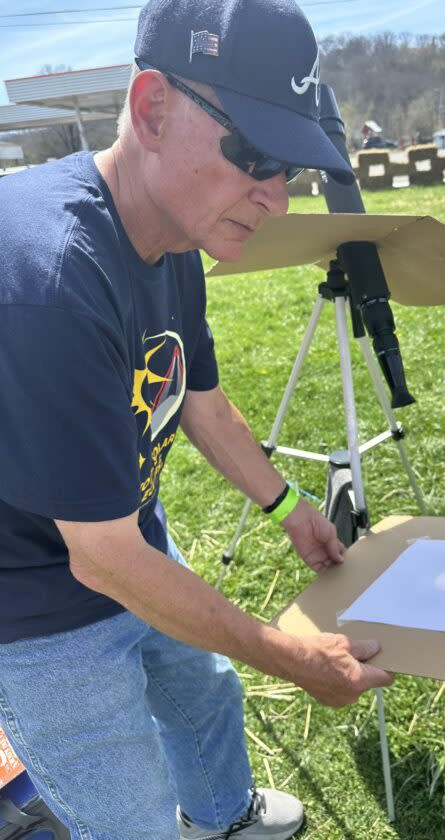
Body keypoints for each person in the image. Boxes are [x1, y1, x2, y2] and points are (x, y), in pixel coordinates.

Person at [0, 1, 394, 839]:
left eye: (287, 166)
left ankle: (223, 818)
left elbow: (199, 399)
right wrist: (295, 659)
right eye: (254, 154)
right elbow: (101, 561)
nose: (278, 201)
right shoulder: (50, 278)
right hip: (34, 603)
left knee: (204, 689)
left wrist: (290, 510)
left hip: (127, 533)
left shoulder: (173, 238)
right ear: (151, 109)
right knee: (128, 815)